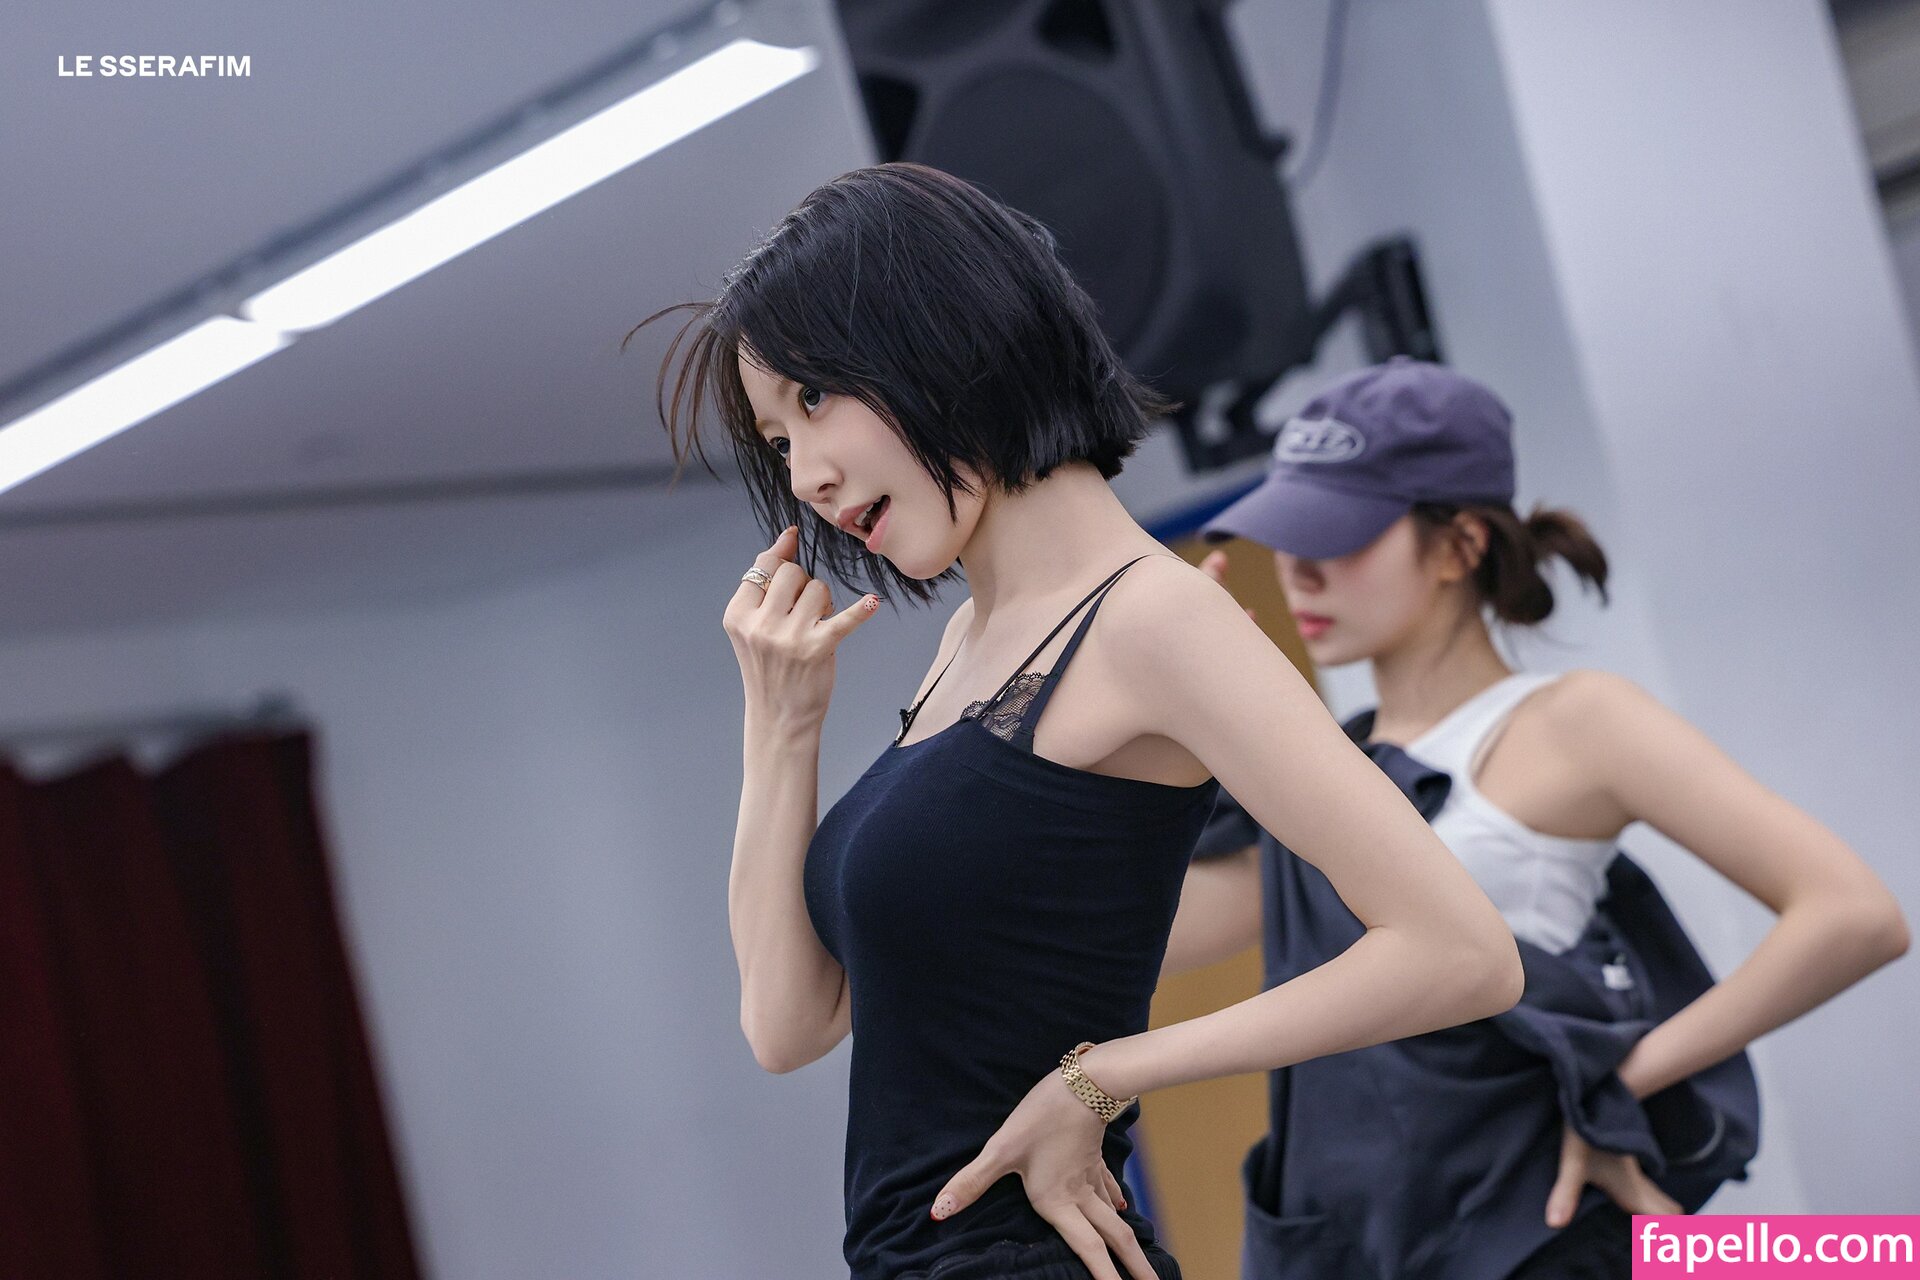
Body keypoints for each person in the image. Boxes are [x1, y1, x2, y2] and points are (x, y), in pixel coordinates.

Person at [637, 165, 1525, 1280]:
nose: (805, 475)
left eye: (813, 400)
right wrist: (780, 726)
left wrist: (1104, 1077)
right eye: (775, 442)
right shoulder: (966, 641)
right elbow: (787, 1022)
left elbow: (1462, 952)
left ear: (940, 333)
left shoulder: (1154, 617)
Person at [1173, 358, 1911, 1279]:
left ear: (1460, 545)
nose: (1299, 572)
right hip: (1353, 1243)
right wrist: (1176, 721)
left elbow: (1855, 914)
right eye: (1286, 535)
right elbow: (1158, 938)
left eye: (1337, 534)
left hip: (1532, 1232)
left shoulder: (1571, 721)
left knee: (1866, 1261)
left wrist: (1619, 1087)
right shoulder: (1326, 771)